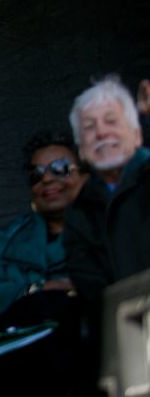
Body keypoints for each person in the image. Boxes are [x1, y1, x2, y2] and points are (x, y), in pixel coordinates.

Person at [0, 129, 88, 397]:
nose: (47, 178)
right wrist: (35, 290)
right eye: (37, 173)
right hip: (13, 340)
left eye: (60, 168)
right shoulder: (10, 235)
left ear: (84, 174)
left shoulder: (106, 227)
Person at [64, 75, 150, 395]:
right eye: (89, 127)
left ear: (137, 134)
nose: (101, 131)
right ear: (82, 151)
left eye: (112, 121)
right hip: (126, 346)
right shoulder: (78, 214)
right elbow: (94, 294)